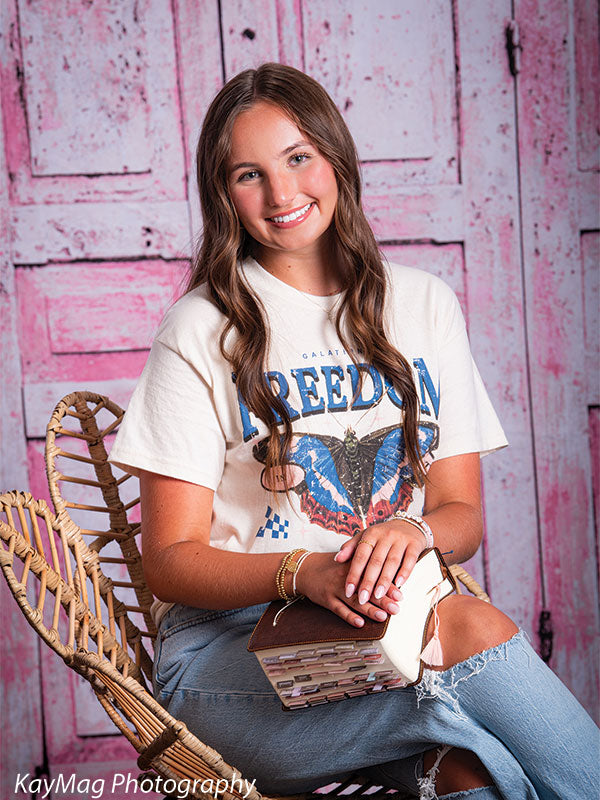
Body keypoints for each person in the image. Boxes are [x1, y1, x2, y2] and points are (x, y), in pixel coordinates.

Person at [109, 63, 598, 799]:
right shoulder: (201, 329)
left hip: (383, 633)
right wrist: (301, 572)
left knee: (471, 775)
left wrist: (416, 534)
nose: (281, 195)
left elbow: (460, 515)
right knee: (465, 631)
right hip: (230, 657)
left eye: (298, 158)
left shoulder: (424, 307)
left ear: (335, 156)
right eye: (249, 174)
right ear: (224, 195)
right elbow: (170, 562)